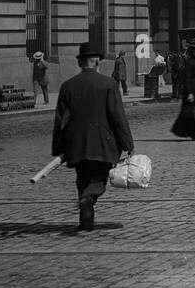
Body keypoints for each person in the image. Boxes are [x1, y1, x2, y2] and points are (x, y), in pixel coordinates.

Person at [52, 43, 134, 233]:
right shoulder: (108, 84)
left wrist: (58, 147)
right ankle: (87, 199)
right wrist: (128, 144)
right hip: (102, 144)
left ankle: (86, 221)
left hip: (77, 145)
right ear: (97, 61)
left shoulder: (68, 86)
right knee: (98, 180)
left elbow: (60, 120)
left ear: (80, 62)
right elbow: (117, 116)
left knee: (82, 179)